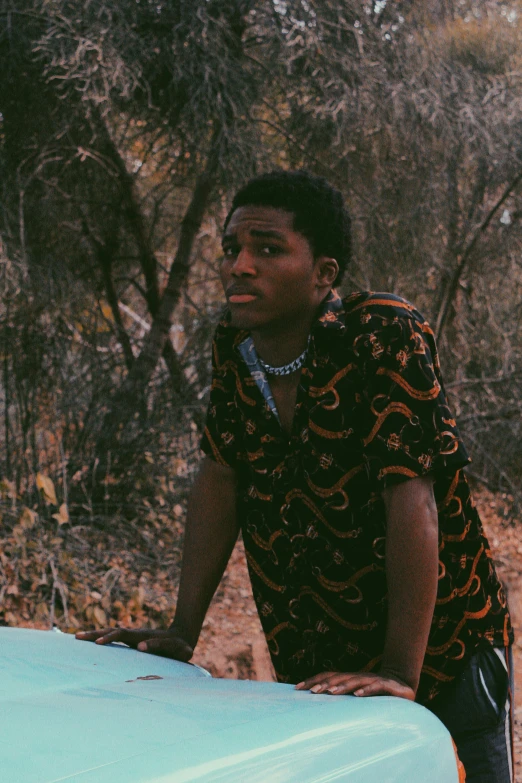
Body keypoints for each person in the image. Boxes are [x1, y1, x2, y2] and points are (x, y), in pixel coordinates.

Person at [77, 170, 514, 782]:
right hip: (319, 661)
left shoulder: (383, 333)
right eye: (232, 248)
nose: (239, 265)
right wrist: (182, 630)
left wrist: (399, 673)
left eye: (268, 248)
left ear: (324, 273)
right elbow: (221, 477)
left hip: (442, 651)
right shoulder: (236, 347)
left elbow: (413, 499)